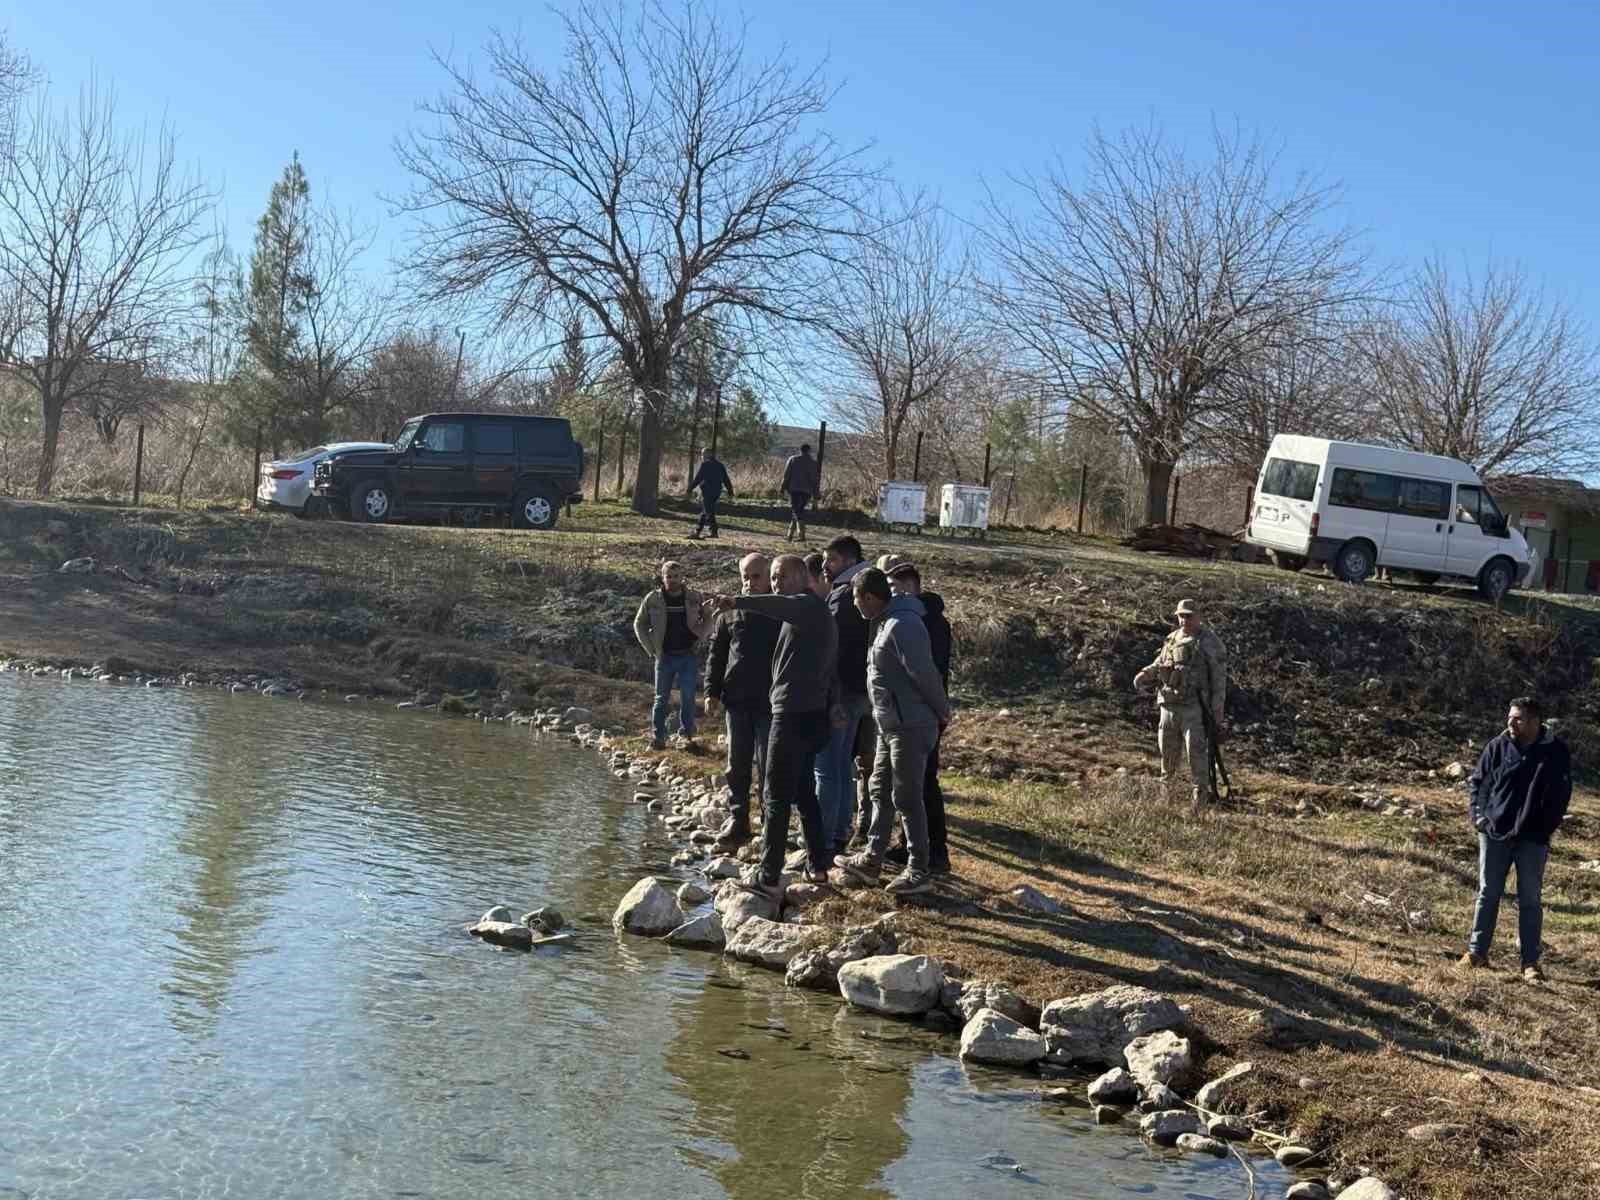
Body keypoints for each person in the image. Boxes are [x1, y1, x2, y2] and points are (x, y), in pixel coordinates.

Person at [711, 554, 839, 899]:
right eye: (775, 577)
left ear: (800, 578)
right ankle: (818, 865)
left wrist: (737, 600)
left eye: (781, 577)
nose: (777, 582)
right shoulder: (808, 611)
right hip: (806, 712)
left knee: (776, 794)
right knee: (802, 792)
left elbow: (779, 606)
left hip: (794, 714)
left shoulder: (806, 607)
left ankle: (768, 875)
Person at [834, 568, 950, 896]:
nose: (855, 607)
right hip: (890, 723)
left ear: (869, 598)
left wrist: (942, 709)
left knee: (907, 796)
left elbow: (925, 673)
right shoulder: (885, 620)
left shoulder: (904, 624)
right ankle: (872, 858)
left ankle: (918, 870)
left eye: (856, 600)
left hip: (911, 725)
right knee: (879, 790)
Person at [1460, 696, 1571, 981]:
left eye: (1518, 718)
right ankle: (1476, 953)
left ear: (1535, 722)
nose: (1510, 722)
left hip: (1532, 840)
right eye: (1510, 716)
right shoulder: (1496, 746)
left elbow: (1560, 798)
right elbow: (1478, 785)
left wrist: (1543, 830)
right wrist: (1481, 820)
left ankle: (1530, 963)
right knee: (1488, 893)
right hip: (1494, 834)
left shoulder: (1555, 752)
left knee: (1530, 899)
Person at [879, 556, 952, 875]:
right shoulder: (913, 618)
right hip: (914, 710)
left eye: (897, 587)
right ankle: (910, 845)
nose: (893, 594)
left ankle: (934, 854)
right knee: (910, 784)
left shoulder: (924, 621)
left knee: (923, 785)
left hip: (922, 712)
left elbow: (925, 671)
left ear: (913, 587)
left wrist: (940, 711)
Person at [704, 553, 779, 852]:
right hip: (736, 700)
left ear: (768, 578)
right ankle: (739, 821)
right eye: (745, 577)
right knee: (737, 766)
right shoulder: (729, 612)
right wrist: (711, 691)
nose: (750, 583)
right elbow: (717, 654)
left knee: (768, 766)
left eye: (756, 576)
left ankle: (769, 825)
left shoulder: (780, 610)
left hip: (770, 704)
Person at [809, 535, 871, 865]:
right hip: (862, 692)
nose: (824, 567)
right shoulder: (869, 588)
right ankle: (841, 829)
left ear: (847, 561)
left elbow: (832, 649)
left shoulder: (845, 596)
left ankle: (824, 836)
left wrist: (829, 696)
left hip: (842, 693)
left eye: (830, 560)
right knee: (843, 764)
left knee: (828, 768)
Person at [1132, 598, 1227, 805]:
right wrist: (1145, 673)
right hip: (1168, 705)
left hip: (1194, 708)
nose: (1185, 620)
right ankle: (1166, 799)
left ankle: (1199, 802)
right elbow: (1161, 663)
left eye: (1189, 616)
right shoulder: (1172, 638)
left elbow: (1219, 678)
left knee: (1196, 757)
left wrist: (1217, 709)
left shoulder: (1209, 641)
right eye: (1181, 616)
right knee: (1167, 755)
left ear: (1199, 617)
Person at [633, 560, 712, 751]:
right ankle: (658, 737)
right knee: (661, 699)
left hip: (688, 656)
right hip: (664, 657)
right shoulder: (653, 599)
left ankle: (687, 737)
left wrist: (701, 636)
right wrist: (651, 649)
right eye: (669, 576)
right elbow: (639, 624)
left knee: (688, 697)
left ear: (681, 577)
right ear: (663, 577)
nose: (673, 580)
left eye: (676, 576)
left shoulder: (694, 597)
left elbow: (708, 617)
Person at [686, 448, 734, 540]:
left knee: (708, 511)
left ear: (708, 454)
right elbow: (726, 479)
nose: (701, 456)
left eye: (703, 454)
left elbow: (698, 478)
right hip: (717, 492)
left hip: (708, 491)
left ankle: (711, 531)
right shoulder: (720, 465)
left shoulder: (705, 465)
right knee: (706, 511)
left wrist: (689, 489)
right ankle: (700, 531)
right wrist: (730, 492)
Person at [779, 443, 821, 543]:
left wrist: (782, 488)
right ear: (809, 451)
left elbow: (786, 475)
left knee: (797, 511)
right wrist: (816, 494)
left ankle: (801, 535)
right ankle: (789, 535)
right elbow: (815, 480)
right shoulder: (814, 463)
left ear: (800, 450)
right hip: (807, 491)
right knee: (798, 511)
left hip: (794, 489)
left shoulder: (793, 459)